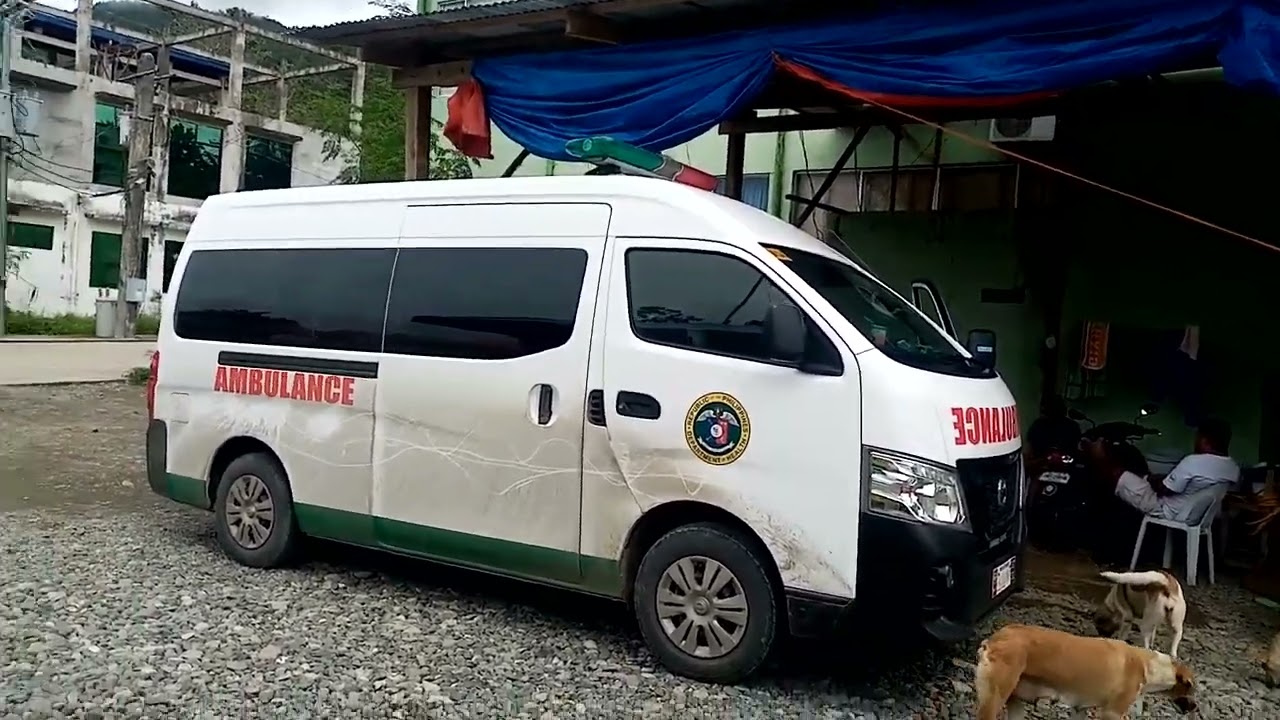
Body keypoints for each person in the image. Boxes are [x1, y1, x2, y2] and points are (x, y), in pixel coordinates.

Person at [1113, 418, 1240, 521]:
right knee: (1140, 476)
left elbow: (1165, 490)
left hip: (1167, 510)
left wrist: (1154, 480)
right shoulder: (1233, 467)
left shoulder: (1193, 461)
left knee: (1116, 473)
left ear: (1204, 440)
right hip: (1197, 516)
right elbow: (1196, 485)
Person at [1026, 395, 1081, 460]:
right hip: (1041, 464)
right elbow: (1030, 450)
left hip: (1064, 465)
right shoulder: (1038, 425)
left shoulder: (1072, 426)